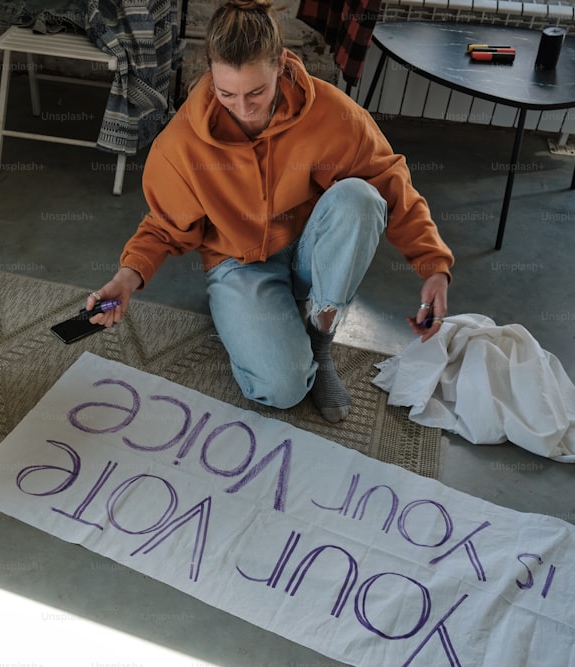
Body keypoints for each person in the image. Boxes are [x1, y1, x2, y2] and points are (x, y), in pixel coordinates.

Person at [87, 0, 454, 423]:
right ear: (209, 73)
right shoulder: (182, 143)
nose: (244, 108)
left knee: (361, 197)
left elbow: (391, 182)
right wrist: (126, 277)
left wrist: (434, 265)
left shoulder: (330, 112)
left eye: (256, 93)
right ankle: (263, 319)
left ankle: (321, 335)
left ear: (280, 65)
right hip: (238, 264)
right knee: (282, 390)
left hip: (309, 251)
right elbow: (164, 225)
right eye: (228, 94)